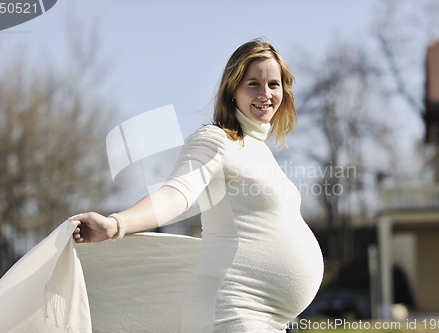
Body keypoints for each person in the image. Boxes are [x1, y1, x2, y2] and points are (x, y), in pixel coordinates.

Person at [71, 38, 323, 333]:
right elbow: (174, 196)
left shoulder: (258, 150)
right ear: (233, 90)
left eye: (273, 84)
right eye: (253, 83)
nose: (265, 93)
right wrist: (116, 224)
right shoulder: (216, 140)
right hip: (231, 310)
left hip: (268, 317)